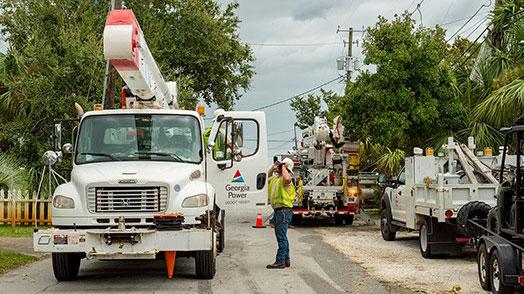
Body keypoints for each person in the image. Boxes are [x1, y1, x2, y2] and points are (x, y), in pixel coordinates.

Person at [266, 157, 296, 269]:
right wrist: (272, 168)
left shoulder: (286, 179)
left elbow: (287, 179)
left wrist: (284, 166)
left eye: (281, 166)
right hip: (279, 211)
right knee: (283, 237)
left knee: (281, 237)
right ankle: (286, 260)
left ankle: (280, 261)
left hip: (283, 210)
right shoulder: (276, 179)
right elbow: (267, 178)